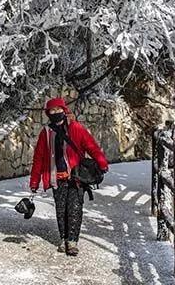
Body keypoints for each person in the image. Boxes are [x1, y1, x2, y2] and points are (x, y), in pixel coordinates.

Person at [29, 96, 110, 256]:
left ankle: (72, 242)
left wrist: (102, 163)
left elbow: (91, 146)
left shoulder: (76, 128)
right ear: (48, 113)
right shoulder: (46, 133)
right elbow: (38, 158)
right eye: (52, 110)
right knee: (61, 210)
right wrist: (34, 181)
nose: (56, 112)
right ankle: (63, 239)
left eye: (58, 109)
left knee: (74, 209)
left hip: (76, 177)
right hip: (56, 178)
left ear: (64, 110)